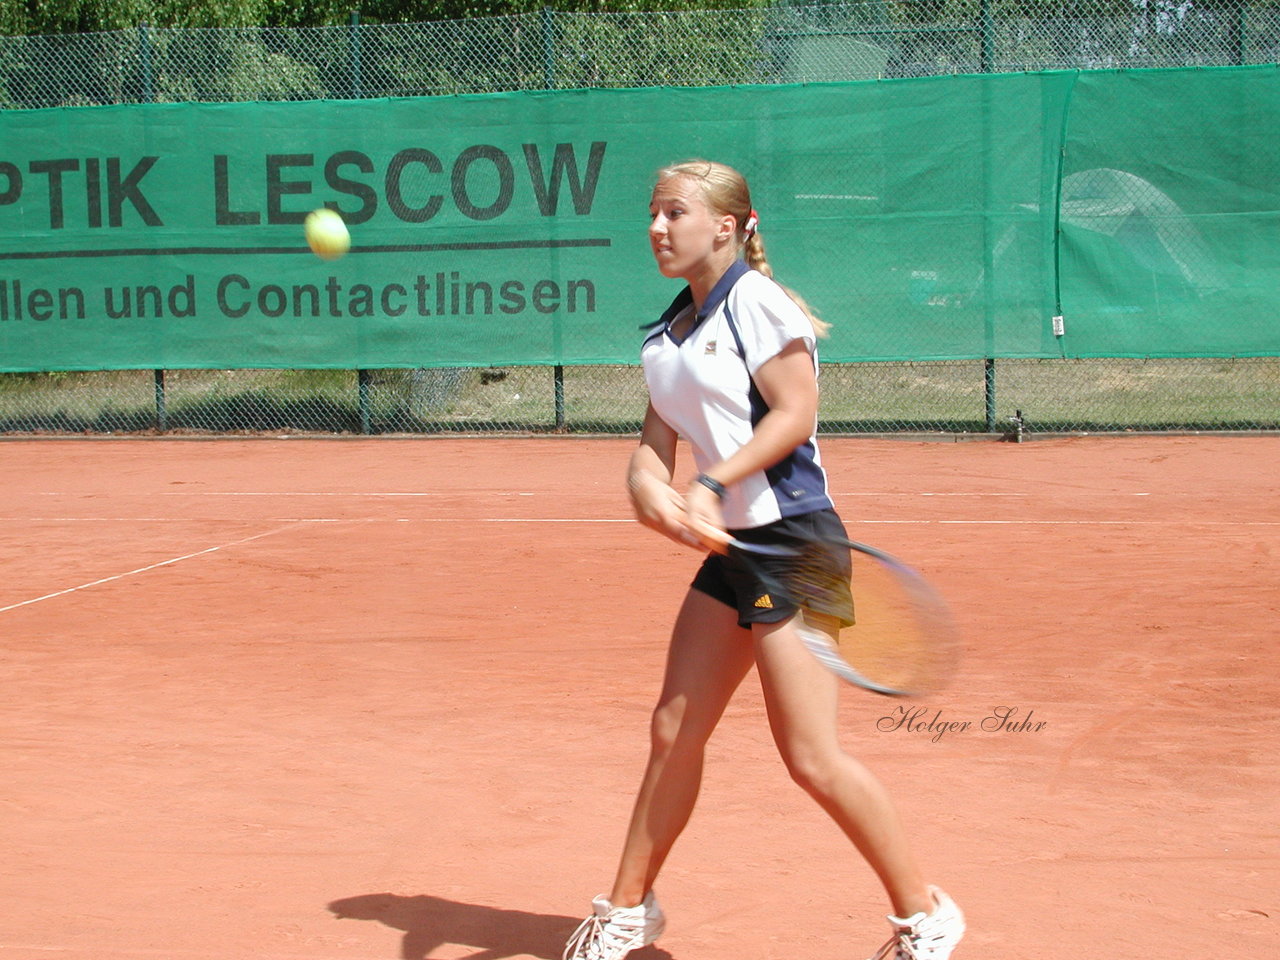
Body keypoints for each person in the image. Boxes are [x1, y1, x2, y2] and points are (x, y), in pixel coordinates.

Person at [562, 160, 964, 960]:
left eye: (673, 212)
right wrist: (649, 489)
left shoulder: (758, 303)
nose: (655, 227)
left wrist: (711, 482)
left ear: (726, 226)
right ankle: (629, 909)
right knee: (673, 730)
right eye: (651, 212)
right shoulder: (668, 331)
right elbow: (654, 444)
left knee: (811, 759)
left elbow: (795, 412)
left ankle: (925, 915)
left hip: (798, 544)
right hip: (735, 551)